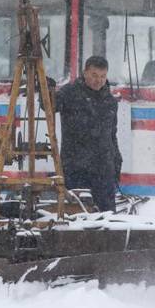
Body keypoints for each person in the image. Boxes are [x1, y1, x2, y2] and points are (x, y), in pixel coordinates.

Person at [56, 56, 122, 212]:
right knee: (76, 214)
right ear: (85, 73)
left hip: (104, 168)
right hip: (75, 167)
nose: (98, 80)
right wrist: (46, 89)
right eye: (94, 75)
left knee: (107, 217)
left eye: (102, 76)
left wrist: (116, 161)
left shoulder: (110, 102)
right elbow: (49, 105)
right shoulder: (69, 94)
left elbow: (112, 135)